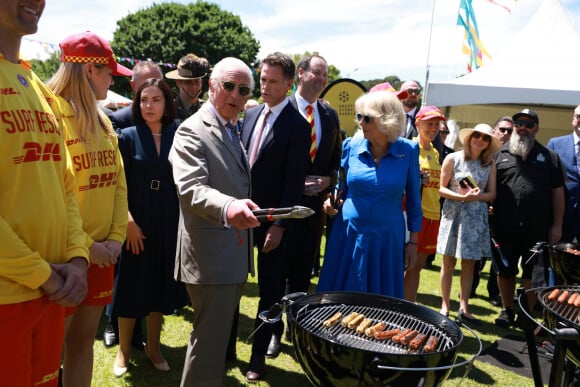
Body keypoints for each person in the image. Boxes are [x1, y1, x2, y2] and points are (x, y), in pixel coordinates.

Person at [0, 2, 89, 385]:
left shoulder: (36, 85)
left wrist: (78, 258)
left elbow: (65, 184)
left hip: (51, 295)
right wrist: (45, 276)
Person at [168, 57, 260, 387]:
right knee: (207, 347)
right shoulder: (191, 130)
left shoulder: (230, 126)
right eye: (229, 86)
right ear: (211, 86)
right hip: (210, 258)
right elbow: (191, 188)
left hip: (230, 256)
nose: (236, 94)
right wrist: (228, 207)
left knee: (214, 343)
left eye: (244, 89)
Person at [46, 31, 130, 387]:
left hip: (102, 257)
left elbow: (118, 186)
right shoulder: (49, 116)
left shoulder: (103, 121)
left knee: (82, 345)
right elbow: (53, 195)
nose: (112, 80)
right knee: (50, 357)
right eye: (108, 72)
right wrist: (87, 247)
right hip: (64, 258)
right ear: (87, 70)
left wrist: (115, 239)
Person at [241, 52, 311, 382]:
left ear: (288, 83)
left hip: (272, 223)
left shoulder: (297, 126)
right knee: (232, 286)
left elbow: (294, 181)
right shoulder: (251, 114)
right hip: (240, 217)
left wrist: (280, 225)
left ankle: (258, 359)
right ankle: (227, 351)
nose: (265, 86)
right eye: (262, 79)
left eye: (272, 81)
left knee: (269, 294)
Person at [111, 78, 187, 376]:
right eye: (144, 100)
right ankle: (123, 350)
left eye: (156, 100)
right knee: (130, 285)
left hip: (168, 218)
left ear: (167, 103)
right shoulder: (127, 136)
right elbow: (117, 184)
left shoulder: (178, 133)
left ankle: (154, 348)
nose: (149, 106)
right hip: (136, 217)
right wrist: (127, 221)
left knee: (159, 286)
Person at [317, 91, 422, 298]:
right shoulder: (351, 146)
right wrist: (330, 203)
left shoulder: (408, 150)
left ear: (387, 121)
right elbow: (340, 187)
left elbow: (413, 201)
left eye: (367, 118)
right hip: (348, 234)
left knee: (380, 305)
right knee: (338, 298)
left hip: (387, 240)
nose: (360, 123)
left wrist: (413, 243)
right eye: (359, 117)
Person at [102, 60, 163, 349]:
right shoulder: (119, 121)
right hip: (126, 209)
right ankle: (113, 324)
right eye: (146, 83)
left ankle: (141, 335)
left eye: (157, 82)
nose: (151, 88)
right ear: (134, 86)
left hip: (156, 212)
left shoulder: (170, 126)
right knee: (123, 274)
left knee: (148, 274)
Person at [493, 109, 565, 327]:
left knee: (533, 273)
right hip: (504, 225)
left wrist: (557, 225)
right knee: (505, 270)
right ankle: (507, 310)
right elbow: (489, 187)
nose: (522, 127)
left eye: (528, 123)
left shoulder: (549, 157)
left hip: (538, 227)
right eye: (518, 123)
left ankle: (526, 313)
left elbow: (558, 192)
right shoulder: (500, 154)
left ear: (536, 129)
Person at [285, 53, 342, 328]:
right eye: (317, 73)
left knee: (302, 271)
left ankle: (294, 325)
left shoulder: (329, 115)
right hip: (284, 205)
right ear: (300, 73)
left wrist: (328, 181)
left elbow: (336, 161)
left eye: (325, 76)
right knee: (277, 272)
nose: (321, 80)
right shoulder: (282, 109)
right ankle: (273, 329)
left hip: (314, 210)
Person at [437, 124, 499, 323]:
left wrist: (477, 196)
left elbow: (493, 193)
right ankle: (445, 305)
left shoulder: (489, 164)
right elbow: (440, 188)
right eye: (477, 135)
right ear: (470, 137)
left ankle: (464, 307)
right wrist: (459, 196)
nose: (480, 140)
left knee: (469, 264)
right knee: (448, 263)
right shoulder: (452, 158)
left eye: (485, 138)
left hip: (474, 216)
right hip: (453, 214)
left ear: (489, 143)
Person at [404, 106, 445, 302]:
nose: (434, 128)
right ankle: (395, 306)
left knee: (417, 266)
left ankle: (408, 307)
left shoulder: (435, 152)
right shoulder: (409, 147)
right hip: (414, 213)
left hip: (433, 214)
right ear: (417, 123)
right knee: (406, 264)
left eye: (437, 124)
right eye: (430, 123)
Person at [546, 105, 580, 243]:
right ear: (573, 119)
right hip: (562, 216)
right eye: (579, 117)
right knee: (558, 261)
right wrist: (555, 224)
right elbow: (546, 180)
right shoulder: (555, 144)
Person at [107, 61, 164, 131]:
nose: (155, 89)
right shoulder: (119, 120)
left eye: (159, 84)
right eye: (148, 84)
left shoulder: (171, 119)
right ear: (133, 85)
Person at [165, 53, 210, 122]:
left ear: (201, 82)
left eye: (197, 81)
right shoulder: (167, 109)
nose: (194, 86)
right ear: (178, 83)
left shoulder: (207, 110)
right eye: (188, 82)